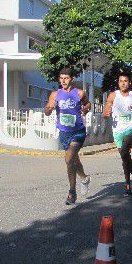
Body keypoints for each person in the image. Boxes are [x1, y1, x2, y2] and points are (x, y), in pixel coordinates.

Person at [45, 68, 91, 205]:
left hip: (78, 132)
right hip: (64, 133)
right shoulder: (55, 94)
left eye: (66, 78)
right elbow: (46, 112)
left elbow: (88, 103)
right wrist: (49, 107)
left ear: (71, 79)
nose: (63, 81)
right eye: (61, 78)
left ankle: (72, 192)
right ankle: (84, 178)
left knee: (68, 159)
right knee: (74, 161)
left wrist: (86, 108)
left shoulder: (80, 93)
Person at [103, 73, 132, 197]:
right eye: (121, 81)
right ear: (118, 83)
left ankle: (127, 184)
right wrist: (106, 113)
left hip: (131, 128)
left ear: (129, 83)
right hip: (117, 130)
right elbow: (105, 112)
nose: (123, 83)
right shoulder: (113, 96)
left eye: (125, 81)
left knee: (125, 151)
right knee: (124, 157)